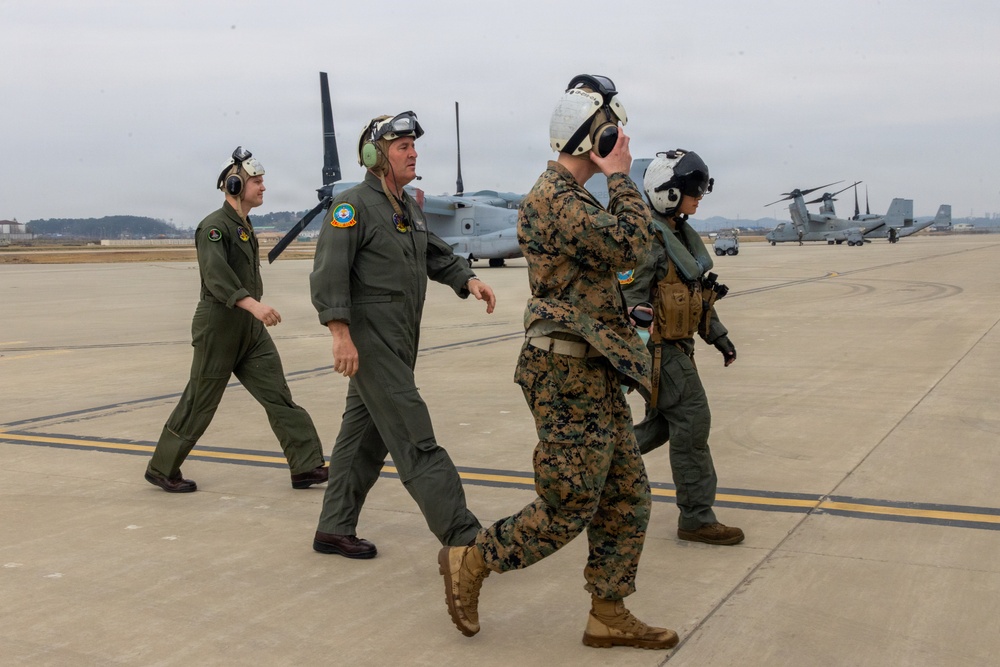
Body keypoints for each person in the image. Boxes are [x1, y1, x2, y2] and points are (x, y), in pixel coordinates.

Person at [438, 75, 678, 650]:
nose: (621, 140)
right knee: (568, 506)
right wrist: (620, 174)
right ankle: (472, 559)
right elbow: (633, 245)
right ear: (593, 136)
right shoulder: (555, 201)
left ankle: (607, 612)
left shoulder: (575, 200)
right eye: (612, 131)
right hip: (565, 374)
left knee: (627, 496)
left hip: (592, 370)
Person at [309, 111, 496, 559]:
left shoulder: (407, 206)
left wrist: (467, 280)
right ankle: (464, 538)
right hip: (372, 344)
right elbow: (328, 273)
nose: (413, 153)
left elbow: (435, 253)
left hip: (399, 338)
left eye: (413, 145)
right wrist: (340, 334)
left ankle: (333, 528)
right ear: (375, 155)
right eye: (402, 146)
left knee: (363, 439)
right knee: (415, 438)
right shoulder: (352, 206)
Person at [146, 147, 328, 493]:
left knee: (278, 395)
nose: (263, 187)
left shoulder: (245, 225)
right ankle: (162, 467)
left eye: (262, 181)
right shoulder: (214, 227)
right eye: (257, 182)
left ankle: (305, 466)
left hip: (248, 328)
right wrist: (254, 306)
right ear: (234, 186)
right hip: (220, 325)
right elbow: (216, 276)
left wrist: (253, 312)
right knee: (200, 400)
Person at [620, 149, 745, 546]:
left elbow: (695, 297)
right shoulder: (647, 240)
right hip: (657, 352)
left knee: (660, 427)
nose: (700, 195)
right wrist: (629, 365)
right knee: (692, 419)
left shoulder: (679, 236)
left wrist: (719, 337)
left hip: (676, 348)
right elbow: (630, 306)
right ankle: (695, 517)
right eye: (694, 189)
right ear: (668, 192)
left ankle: (595, 465)